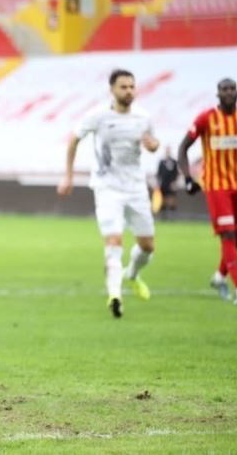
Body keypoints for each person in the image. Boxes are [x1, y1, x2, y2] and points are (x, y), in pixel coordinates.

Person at [58, 69, 159, 318]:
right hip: (107, 188)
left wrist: (153, 146)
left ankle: (131, 274)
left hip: (136, 188)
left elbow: (153, 143)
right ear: (112, 90)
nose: (129, 91)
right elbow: (73, 140)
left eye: (132, 86)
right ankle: (115, 295)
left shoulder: (143, 117)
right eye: (123, 87)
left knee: (147, 246)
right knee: (114, 241)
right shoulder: (98, 116)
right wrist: (69, 176)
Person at [178, 78, 237, 305]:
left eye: (233, 89)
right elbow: (183, 147)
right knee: (228, 234)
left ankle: (219, 277)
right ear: (218, 94)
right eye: (225, 89)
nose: (229, 92)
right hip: (217, 187)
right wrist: (188, 178)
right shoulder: (206, 118)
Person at [156, 146, 179, 219]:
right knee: (163, 200)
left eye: (169, 150)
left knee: (171, 200)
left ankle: (172, 217)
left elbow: (176, 173)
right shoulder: (161, 162)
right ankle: (163, 217)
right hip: (163, 184)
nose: (168, 152)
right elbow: (159, 173)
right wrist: (158, 183)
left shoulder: (174, 162)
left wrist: (174, 182)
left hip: (171, 184)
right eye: (167, 150)